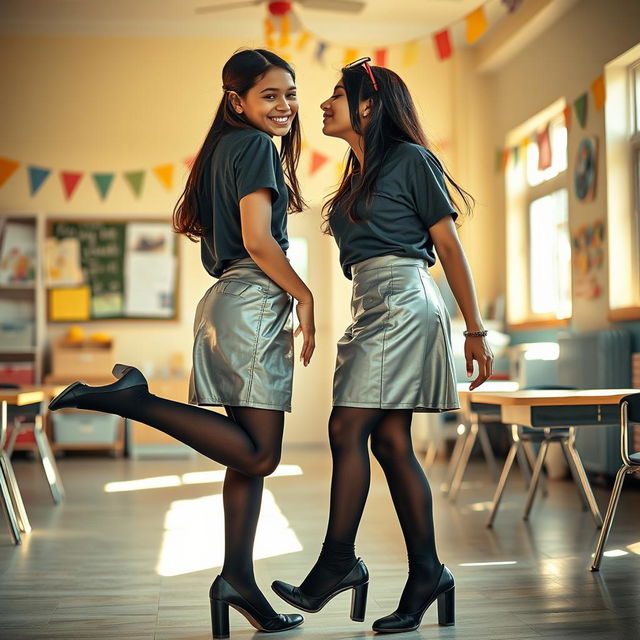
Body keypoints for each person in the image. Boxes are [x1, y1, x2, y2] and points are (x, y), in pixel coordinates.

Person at [49, 48, 315, 639]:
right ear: (237, 100)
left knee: (245, 456)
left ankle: (238, 581)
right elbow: (258, 240)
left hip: (228, 302)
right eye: (270, 95)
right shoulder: (253, 148)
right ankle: (134, 399)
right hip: (253, 299)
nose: (285, 107)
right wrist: (307, 295)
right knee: (260, 455)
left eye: (291, 94)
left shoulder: (222, 150)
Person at [271, 58, 493, 634]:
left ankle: (338, 562)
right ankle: (428, 574)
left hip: (404, 301)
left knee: (347, 429)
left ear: (369, 107)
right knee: (392, 441)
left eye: (336, 96)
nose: (323, 105)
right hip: (369, 304)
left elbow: (448, 245)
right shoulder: (356, 174)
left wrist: (474, 329)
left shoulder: (411, 160)